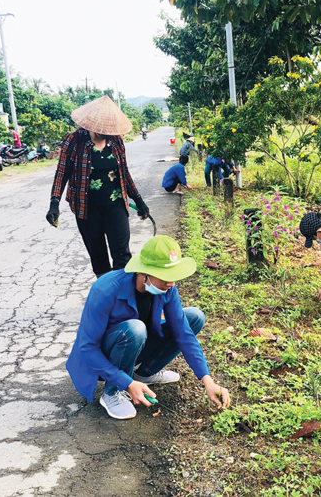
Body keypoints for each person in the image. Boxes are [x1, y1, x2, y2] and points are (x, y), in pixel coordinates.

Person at [66, 235, 231, 420]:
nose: (171, 283)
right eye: (165, 278)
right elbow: (87, 348)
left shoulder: (167, 288)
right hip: (102, 358)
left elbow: (183, 333)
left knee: (194, 317)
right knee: (135, 329)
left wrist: (207, 380)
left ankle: (144, 375)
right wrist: (126, 382)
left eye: (174, 277)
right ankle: (113, 392)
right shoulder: (105, 289)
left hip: (137, 345)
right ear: (144, 273)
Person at [46, 96, 150, 277]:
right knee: (99, 259)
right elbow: (62, 173)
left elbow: (123, 173)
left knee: (122, 257)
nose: (104, 132)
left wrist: (139, 200)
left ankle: (122, 300)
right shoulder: (74, 141)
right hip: (86, 210)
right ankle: (108, 299)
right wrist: (54, 203)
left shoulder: (116, 141)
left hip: (115, 205)